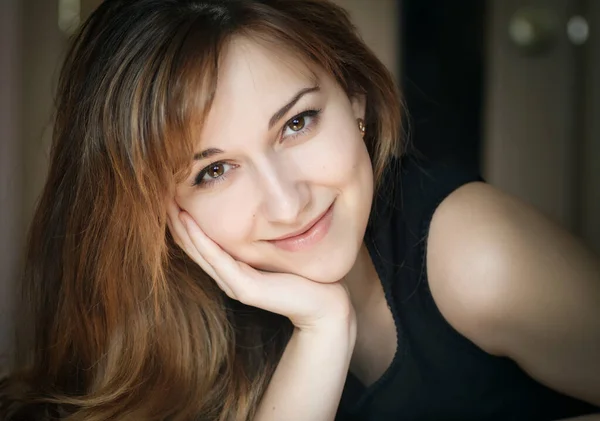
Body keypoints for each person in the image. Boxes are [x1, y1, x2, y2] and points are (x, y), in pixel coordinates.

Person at [1, 0, 599, 420]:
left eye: (297, 123)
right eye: (213, 171)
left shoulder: (481, 258)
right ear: (154, 208)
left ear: (355, 99)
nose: (287, 203)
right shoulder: (164, 324)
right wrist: (323, 329)